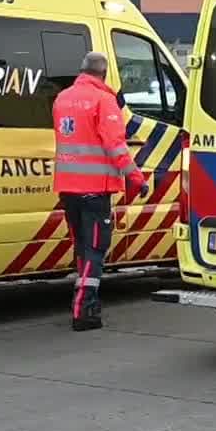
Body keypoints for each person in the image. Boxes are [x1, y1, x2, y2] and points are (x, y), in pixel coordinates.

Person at [51, 51, 148, 331]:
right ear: (104, 75)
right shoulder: (104, 100)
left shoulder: (62, 98)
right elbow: (116, 145)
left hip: (68, 188)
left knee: (82, 248)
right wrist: (136, 178)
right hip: (94, 190)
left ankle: (83, 302)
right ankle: (84, 309)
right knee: (96, 248)